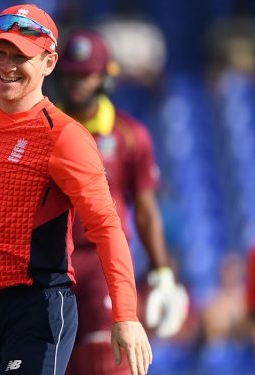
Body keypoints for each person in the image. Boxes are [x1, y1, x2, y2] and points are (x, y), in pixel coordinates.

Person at [0, 4, 152, 375]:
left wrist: (126, 316)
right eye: (0, 52)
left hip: (36, 304)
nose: (7, 66)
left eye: (22, 56)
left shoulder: (64, 136)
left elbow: (106, 226)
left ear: (49, 62)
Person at [53, 28, 190, 375]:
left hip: (105, 263)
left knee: (109, 358)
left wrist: (162, 273)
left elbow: (145, 210)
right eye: (70, 74)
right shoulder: (45, 128)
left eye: (85, 75)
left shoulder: (130, 135)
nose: (76, 83)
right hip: (54, 262)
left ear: (105, 76)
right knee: (57, 361)